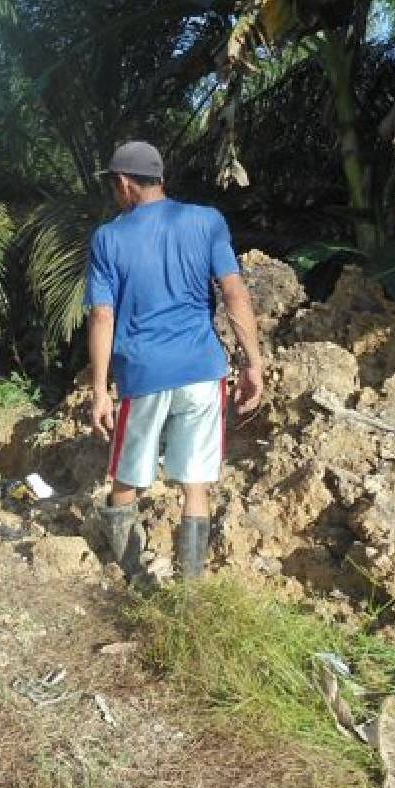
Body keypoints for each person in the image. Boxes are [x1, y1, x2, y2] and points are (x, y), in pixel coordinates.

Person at [86, 140, 264, 581]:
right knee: (195, 483)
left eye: (113, 184)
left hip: (143, 373)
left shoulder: (109, 237)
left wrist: (99, 391)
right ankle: (189, 592)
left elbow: (101, 315)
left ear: (126, 183)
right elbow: (235, 293)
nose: (114, 191)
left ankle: (131, 578)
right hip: (203, 371)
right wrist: (252, 363)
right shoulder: (206, 222)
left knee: (127, 478)